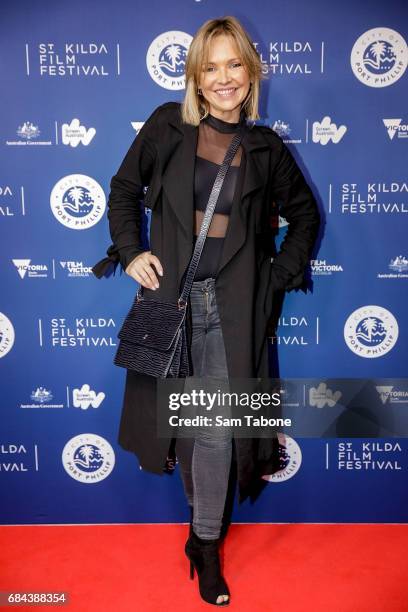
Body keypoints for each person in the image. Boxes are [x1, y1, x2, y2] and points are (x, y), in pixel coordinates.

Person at [92, 16, 320, 607]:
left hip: (233, 311)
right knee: (188, 428)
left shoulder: (266, 148)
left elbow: (306, 218)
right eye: (211, 66)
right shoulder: (168, 126)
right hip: (171, 305)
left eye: (234, 65)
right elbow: (122, 190)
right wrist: (131, 250)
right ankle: (203, 532)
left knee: (216, 428)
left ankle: (206, 543)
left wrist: (274, 280)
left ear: (250, 73)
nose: (223, 78)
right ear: (196, 75)